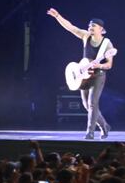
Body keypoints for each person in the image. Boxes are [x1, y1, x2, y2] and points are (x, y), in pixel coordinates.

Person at [47, 8, 114, 139]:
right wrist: (57, 16)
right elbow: (70, 27)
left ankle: (90, 132)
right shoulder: (85, 36)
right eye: (89, 25)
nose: (90, 27)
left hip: (98, 75)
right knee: (86, 105)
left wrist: (99, 64)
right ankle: (104, 126)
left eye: (93, 26)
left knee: (92, 103)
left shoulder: (107, 43)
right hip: (83, 75)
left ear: (101, 29)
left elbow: (109, 65)